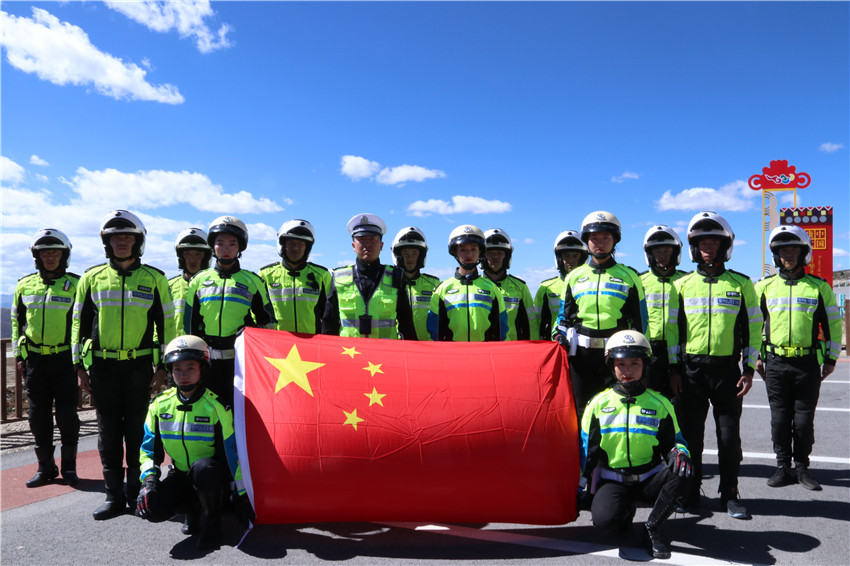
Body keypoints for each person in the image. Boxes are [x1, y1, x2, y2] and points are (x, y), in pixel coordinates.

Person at [72, 210, 175, 520]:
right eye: (115, 238)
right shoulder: (91, 278)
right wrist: (78, 367)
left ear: (138, 242)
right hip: (102, 368)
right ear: (107, 242)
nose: (121, 242)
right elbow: (78, 322)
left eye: (128, 237)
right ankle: (113, 496)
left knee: (137, 432)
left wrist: (163, 368)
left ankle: (136, 493)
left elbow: (167, 324)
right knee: (108, 434)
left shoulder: (154, 279)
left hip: (139, 368)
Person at [672, 211, 762, 519]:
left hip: (727, 372)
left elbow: (753, 329)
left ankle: (730, 494)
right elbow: (674, 331)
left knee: (728, 437)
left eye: (714, 243)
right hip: (691, 372)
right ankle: (690, 491)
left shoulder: (741, 284)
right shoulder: (682, 285)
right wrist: (675, 370)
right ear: (694, 248)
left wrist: (748, 370)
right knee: (691, 437)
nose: (708, 249)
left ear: (725, 247)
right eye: (702, 244)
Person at [581, 330, 692, 559]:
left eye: (634, 363)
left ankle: (652, 528)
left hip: (649, 479)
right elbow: (586, 450)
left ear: (644, 365)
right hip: (613, 479)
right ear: (611, 365)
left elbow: (676, 443)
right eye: (621, 364)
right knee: (604, 521)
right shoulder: (597, 405)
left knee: (684, 468)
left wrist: (679, 453)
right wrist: (578, 486)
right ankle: (623, 512)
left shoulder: (661, 403)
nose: (628, 370)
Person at [136, 335, 253, 550]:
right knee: (152, 508)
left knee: (203, 468)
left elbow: (231, 455)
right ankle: (192, 510)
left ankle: (212, 521)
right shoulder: (159, 405)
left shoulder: (217, 406)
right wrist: (148, 481)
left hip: (210, 476)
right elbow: (148, 450)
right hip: (179, 473)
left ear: (202, 369)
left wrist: (242, 494)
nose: (183, 375)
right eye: (177, 369)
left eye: (190, 368)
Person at [755, 225, 842, 491]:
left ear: (804, 253)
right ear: (776, 255)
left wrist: (831, 359)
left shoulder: (819, 287)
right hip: (776, 363)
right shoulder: (764, 287)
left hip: (807, 364)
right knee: (779, 420)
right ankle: (782, 467)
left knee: (803, 422)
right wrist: (756, 357)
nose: (788, 255)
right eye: (783, 251)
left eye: (793, 249)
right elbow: (754, 326)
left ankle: (802, 468)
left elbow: (833, 325)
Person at [554, 211, 647, 424]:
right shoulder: (573, 277)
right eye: (594, 238)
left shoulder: (630, 276)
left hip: (616, 356)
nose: (600, 243)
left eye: (606, 237)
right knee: (580, 410)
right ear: (587, 241)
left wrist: (639, 358)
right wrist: (559, 336)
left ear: (615, 241)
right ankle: (584, 448)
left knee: (614, 411)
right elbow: (563, 318)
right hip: (581, 357)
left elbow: (641, 322)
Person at [12, 229, 80, 488]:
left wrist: (80, 362)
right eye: (44, 253)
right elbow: (16, 322)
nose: (50, 257)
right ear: (37, 257)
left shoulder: (76, 284)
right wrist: (20, 355)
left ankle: (69, 469)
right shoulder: (24, 284)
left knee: (67, 417)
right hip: (35, 362)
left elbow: (84, 325)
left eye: (55, 253)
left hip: (64, 359)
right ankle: (46, 468)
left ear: (64, 256)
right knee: (37, 417)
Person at [184, 216, 276, 407]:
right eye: (220, 243)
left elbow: (267, 322)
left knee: (238, 411)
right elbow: (190, 323)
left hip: (240, 364)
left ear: (240, 247)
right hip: (207, 363)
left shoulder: (253, 281)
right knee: (209, 410)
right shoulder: (198, 280)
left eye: (232, 244)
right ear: (213, 246)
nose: (226, 249)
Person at [321, 213, 417, 339]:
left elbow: (406, 323)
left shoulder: (396, 276)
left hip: (385, 349)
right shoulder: (339, 277)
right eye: (362, 239)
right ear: (353, 246)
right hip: (349, 350)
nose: (367, 244)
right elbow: (329, 323)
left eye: (373, 239)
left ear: (381, 245)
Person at [427, 224, 507, 342]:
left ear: (480, 252)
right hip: (452, 352)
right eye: (463, 249)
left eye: (473, 249)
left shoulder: (492, 288)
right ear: (455, 252)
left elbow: (500, 329)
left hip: (484, 351)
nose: (468, 254)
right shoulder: (442, 289)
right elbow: (435, 332)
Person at [259, 219, 331, 335]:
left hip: (311, 342)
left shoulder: (322, 275)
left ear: (307, 248)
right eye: (292, 243)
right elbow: (257, 313)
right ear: (283, 245)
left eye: (301, 244)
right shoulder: (266, 275)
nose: (296, 248)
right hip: (276, 341)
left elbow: (330, 313)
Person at [639, 226, 687, 399]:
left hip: (680, 351)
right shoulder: (639, 281)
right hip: (650, 351)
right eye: (657, 251)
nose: (662, 256)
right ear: (650, 253)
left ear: (675, 252)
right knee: (650, 401)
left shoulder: (686, 280)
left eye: (667, 250)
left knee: (680, 404)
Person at [482, 228, 539, 340]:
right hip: (482, 348)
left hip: (511, 348)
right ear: (482, 256)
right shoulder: (474, 286)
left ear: (507, 256)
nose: (495, 257)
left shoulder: (520, 287)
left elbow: (530, 324)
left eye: (500, 253)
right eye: (490, 253)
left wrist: (534, 347)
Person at [534, 230, 587, 340]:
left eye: (575, 256)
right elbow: (536, 322)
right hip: (556, 344)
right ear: (559, 259)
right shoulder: (546, 288)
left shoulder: (591, 285)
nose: (570, 260)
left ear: (582, 258)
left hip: (583, 344)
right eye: (566, 256)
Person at [391, 226, 441, 341]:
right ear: (398, 256)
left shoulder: (434, 284)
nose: (410, 258)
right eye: (406, 253)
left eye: (415, 253)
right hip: (397, 346)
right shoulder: (388, 283)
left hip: (427, 347)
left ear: (421, 256)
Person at [168, 228, 212, 337]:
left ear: (206, 257)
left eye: (198, 254)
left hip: (204, 345)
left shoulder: (215, 287)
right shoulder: (169, 286)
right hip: (174, 345)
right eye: (187, 254)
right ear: (181, 257)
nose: (192, 260)